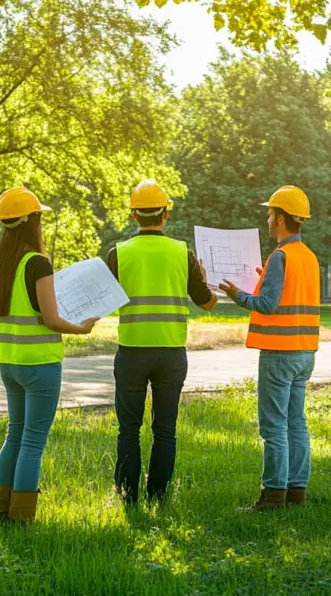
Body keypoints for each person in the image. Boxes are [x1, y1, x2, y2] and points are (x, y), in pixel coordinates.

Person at [0, 187, 97, 525]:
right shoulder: (38, 263)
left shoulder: (3, 264)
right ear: (33, 220)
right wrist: (82, 328)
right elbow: (51, 318)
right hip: (40, 367)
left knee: (14, 435)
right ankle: (21, 518)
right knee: (32, 441)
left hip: (9, 364)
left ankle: (3, 510)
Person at [107, 179, 218, 505]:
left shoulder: (119, 253)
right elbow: (208, 303)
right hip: (171, 354)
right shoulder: (182, 253)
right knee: (165, 429)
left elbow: (103, 300)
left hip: (131, 353)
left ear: (133, 215)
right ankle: (158, 493)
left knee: (128, 429)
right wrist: (205, 281)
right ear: (165, 214)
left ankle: (127, 495)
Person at [218, 186, 320, 511]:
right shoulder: (307, 257)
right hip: (305, 352)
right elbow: (290, 294)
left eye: (269, 213)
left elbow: (267, 305)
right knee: (296, 423)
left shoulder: (281, 256)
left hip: (279, 353)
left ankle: (273, 494)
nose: (267, 218)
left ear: (279, 218)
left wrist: (236, 294)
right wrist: (267, 279)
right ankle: (296, 491)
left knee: (274, 425)